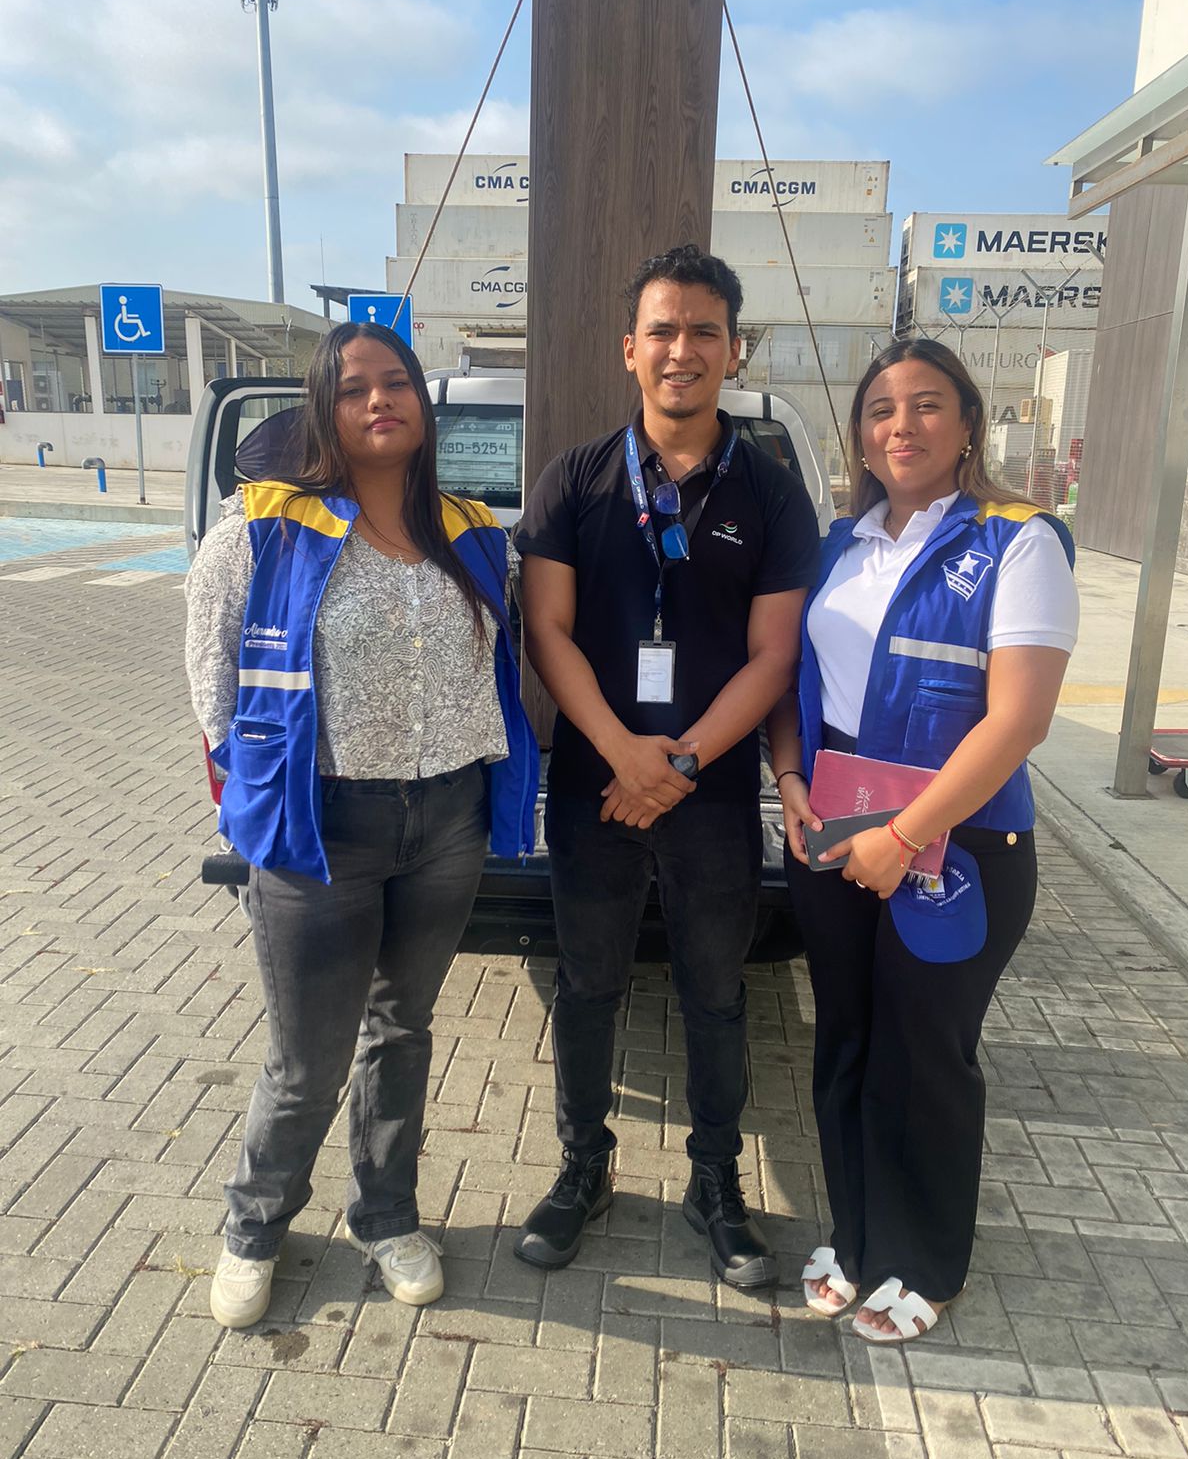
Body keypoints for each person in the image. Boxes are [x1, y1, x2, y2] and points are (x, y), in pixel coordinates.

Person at [185, 322, 537, 1329]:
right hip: (322, 825)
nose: (379, 400)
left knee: (403, 1030)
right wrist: (258, 790)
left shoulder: (472, 531)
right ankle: (254, 1227)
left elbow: (502, 660)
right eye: (352, 389)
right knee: (308, 1059)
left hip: (448, 820)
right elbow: (214, 683)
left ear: (422, 402)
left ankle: (386, 1215)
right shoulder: (262, 526)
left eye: (396, 383)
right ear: (323, 409)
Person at [513, 244, 820, 1288]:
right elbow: (547, 631)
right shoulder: (574, 479)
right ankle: (583, 1167)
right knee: (587, 985)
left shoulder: (771, 491)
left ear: (733, 350)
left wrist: (679, 760)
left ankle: (716, 1182)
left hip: (714, 787)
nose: (681, 349)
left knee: (715, 993)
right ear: (629, 349)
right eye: (662, 330)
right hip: (595, 783)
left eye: (703, 331)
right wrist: (622, 753)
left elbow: (775, 655)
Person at [767, 337, 1078, 1344]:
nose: (902, 425)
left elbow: (1019, 719)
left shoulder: (1020, 541)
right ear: (861, 437)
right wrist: (789, 783)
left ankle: (928, 1262)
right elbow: (795, 684)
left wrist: (904, 835)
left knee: (926, 1054)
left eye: (927, 404)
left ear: (969, 424)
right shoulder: (838, 547)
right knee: (848, 1042)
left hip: (962, 847)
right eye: (881, 410)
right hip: (835, 828)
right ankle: (858, 1239)